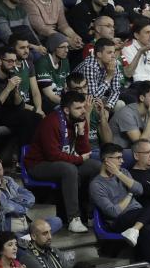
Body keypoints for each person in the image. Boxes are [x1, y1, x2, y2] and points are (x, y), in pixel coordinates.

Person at [23, 91, 101, 233]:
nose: (83, 111)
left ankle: (91, 216)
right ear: (66, 110)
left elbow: (85, 152)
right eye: (78, 108)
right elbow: (52, 155)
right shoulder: (51, 122)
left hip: (64, 161)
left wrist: (82, 133)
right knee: (69, 170)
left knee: (96, 166)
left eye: (84, 107)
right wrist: (78, 159)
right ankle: (74, 219)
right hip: (39, 165)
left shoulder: (81, 120)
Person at [90, 143, 150, 267]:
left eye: (122, 157)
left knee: (146, 228)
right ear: (107, 160)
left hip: (137, 214)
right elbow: (114, 212)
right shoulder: (96, 185)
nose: (122, 161)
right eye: (118, 158)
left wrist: (118, 174)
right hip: (119, 220)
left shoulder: (123, 172)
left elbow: (139, 190)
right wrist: (129, 194)